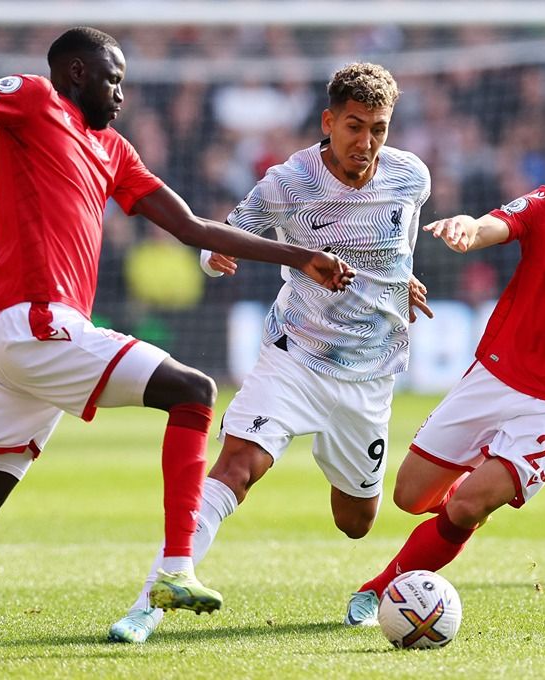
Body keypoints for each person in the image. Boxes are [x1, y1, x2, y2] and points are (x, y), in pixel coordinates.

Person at [0, 27, 354, 653]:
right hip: (38, 323)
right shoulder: (33, 97)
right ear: (75, 72)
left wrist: (297, 254)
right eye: (112, 78)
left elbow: (189, 226)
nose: (121, 93)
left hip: (32, 342)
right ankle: (176, 568)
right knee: (193, 391)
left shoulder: (115, 151)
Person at [108, 62, 432, 644]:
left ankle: (330, 457)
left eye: (379, 128)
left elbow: (397, 244)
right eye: (354, 126)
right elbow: (223, 237)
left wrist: (401, 282)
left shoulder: (411, 176)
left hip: (370, 374)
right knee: (236, 467)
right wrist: (215, 260)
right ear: (329, 121)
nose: (366, 142)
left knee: (357, 523)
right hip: (296, 357)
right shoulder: (287, 182)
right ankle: (153, 599)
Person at [342, 105, 545, 625]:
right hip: (498, 373)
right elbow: (496, 224)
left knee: (471, 504)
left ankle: (382, 589)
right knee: (410, 496)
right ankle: (458, 509)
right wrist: (465, 230)